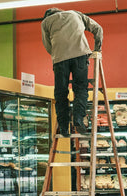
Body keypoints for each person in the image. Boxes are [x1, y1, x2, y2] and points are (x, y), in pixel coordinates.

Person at [41, 8, 103, 136]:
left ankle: (63, 127)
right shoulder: (75, 14)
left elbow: (47, 44)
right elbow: (98, 29)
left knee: (60, 93)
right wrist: (97, 49)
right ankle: (78, 118)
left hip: (59, 60)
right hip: (80, 55)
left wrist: (57, 54)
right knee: (80, 88)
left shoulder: (46, 22)